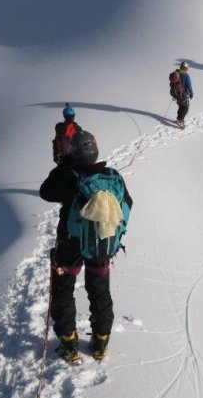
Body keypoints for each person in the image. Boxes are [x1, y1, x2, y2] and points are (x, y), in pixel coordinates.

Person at [39, 131, 134, 363]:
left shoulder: (69, 176)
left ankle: (69, 344)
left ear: (74, 152)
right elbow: (128, 204)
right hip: (101, 243)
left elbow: (46, 192)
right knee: (100, 291)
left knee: (63, 290)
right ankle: (100, 344)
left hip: (70, 244)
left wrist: (63, 165)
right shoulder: (112, 176)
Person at [170, 61, 194, 129]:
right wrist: (191, 93)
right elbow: (189, 86)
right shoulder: (186, 76)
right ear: (185, 68)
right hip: (183, 94)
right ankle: (180, 120)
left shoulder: (176, 73)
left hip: (176, 95)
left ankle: (178, 118)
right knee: (185, 108)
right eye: (187, 67)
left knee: (181, 106)